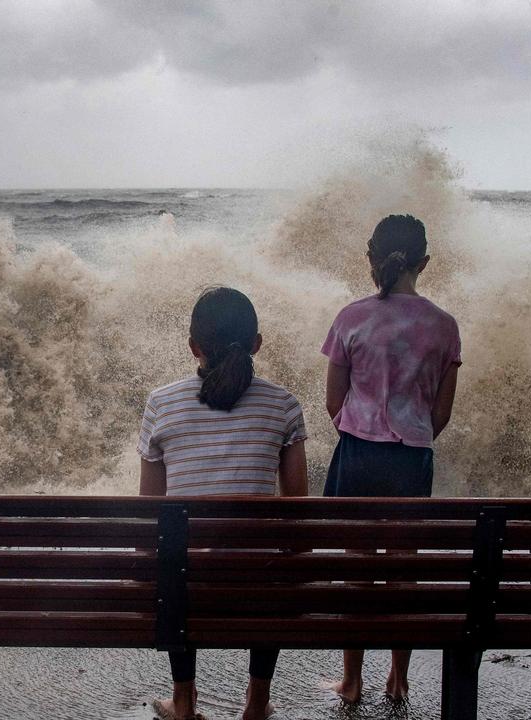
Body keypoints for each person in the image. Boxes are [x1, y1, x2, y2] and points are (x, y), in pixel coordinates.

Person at [138, 287, 308, 720]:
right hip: (259, 586)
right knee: (276, 561)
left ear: (194, 347)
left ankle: (183, 700)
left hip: (185, 586)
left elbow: (149, 510)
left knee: (173, 551)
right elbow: (297, 511)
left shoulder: (162, 403)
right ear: (257, 344)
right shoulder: (284, 405)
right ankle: (255, 703)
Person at [321, 214, 461, 704]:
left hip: (357, 453)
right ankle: (398, 679)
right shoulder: (444, 326)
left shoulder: (351, 317)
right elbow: (440, 413)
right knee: (405, 569)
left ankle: (352, 681)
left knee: (356, 570)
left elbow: (333, 402)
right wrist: (411, 434)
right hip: (411, 458)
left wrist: (362, 429)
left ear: (370, 259)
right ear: (424, 262)